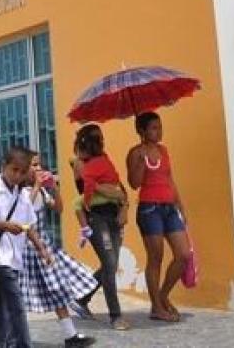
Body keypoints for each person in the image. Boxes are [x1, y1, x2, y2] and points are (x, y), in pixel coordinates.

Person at [0, 146, 52, 347]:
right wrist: (5, 225)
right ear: (4, 167)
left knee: (0, 309)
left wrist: (42, 249)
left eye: (22, 172)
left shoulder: (22, 194)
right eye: (14, 170)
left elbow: (29, 225)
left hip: (15, 258)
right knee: (17, 306)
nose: (17, 175)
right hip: (0, 258)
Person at [18, 149, 98, 347]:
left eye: (39, 164)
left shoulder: (42, 192)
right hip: (27, 250)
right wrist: (37, 185)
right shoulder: (22, 193)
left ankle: (71, 335)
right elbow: (23, 211)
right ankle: (13, 335)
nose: (38, 168)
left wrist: (54, 188)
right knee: (19, 294)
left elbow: (59, 209)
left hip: (44, 245)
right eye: (34, 165)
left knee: (57, 288)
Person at [126, 112, 191, 322]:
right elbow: (134, 183)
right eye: (154, 128)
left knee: (183, 254)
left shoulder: (163, 150)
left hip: (169, 208)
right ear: (142, 131)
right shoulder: (135, 153)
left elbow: (170, 179)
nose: (159, 131)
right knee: (156, 258)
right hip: (149, 209)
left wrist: (180, 206)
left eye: (159, 127)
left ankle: (162, 296)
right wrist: (141, 163)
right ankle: (156, 307)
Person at [73, 124, 132, 331]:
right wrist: (106, 189)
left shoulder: (105, 160)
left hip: (114, 215)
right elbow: (86, 194)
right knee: (109, 262)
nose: (101, 141)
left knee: (111, 265)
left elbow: (119, 188)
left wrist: (124, 207)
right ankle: (115, 315)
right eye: (97, 138)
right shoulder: (80, 165)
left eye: (101, 138)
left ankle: (81, 298)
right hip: (95, 217)